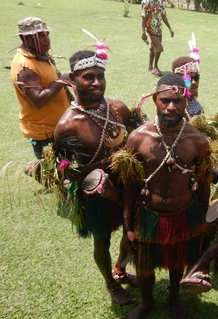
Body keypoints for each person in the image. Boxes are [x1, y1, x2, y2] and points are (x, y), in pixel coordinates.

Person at [123, 74, 212, 318]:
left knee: (177, 261)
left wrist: (206, 219)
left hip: (183, 214)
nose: (171, 107)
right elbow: (130, 187)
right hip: (148, 215)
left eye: (178, 101)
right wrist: (127, 226)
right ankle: (146, 302)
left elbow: (204, 184)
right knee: (144, 266)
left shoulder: (197, 141)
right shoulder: (137, 138)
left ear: (186, 101)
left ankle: (174, 299)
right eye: (165, 100)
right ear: (155, 99)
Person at [52, 50, 137, 306]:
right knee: (102, 239)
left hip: (126, 184)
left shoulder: (117, 106)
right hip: (95, 194)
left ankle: (120, 269)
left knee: (131, 229)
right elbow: (68, 175)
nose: (97, 82)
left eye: (101, 76)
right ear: (72, 78)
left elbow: (138, 132)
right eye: (89, 77)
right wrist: (106, 163)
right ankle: (111, 285)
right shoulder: (67, 125)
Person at [10, 17, 70, 159]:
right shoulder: (25, 65)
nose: (47, 40)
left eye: (47, 35)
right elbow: (38, 100)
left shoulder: (39, 56)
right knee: (56, 177)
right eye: (40, 36)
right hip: (45, 135)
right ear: (26, 38)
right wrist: (62, 81)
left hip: (58, 128)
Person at [141, 0, 174, 76]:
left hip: (159, 29)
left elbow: (163, 15)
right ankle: (155, 67)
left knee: (153, 48)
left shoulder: (159, 2)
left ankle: (150, 66)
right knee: (159, 48)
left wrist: (170, 28)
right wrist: (143, 32)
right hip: (151, 29)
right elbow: (143, 17)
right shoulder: (145, 2)